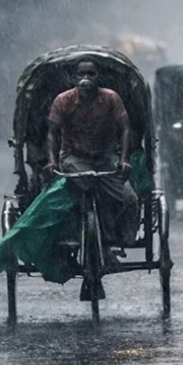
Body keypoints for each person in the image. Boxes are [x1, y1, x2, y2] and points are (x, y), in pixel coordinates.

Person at [44, 58, 139, 256]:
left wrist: (123, 159)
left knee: (130, 199)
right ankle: (73, 234)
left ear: (99, 77)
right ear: (74, 77)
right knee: (85, 184)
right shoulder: (63, 100)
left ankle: (122, 237)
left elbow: (125, 129)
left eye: (91, 74)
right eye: (81, 74)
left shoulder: (111, 98)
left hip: (106, 156)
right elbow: (53, 132)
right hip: (74, 157)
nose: (86, 78)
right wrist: (52, 161)